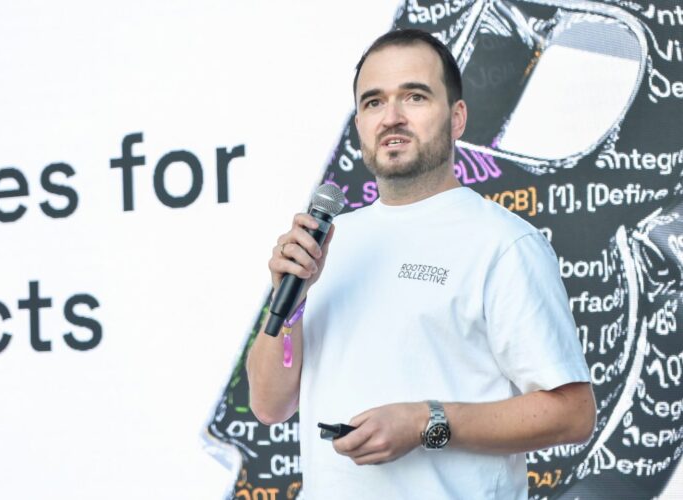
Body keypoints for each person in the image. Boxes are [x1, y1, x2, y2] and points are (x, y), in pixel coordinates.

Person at [246, 29, 596, 499]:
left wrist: (425, 422)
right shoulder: (328, 243)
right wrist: (289, 301)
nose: (391, 117)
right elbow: (268, 405)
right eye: (373, 102)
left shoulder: (503, 244)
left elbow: (573, 414)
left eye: (414, 96)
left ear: (457, 118)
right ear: (359, 126)